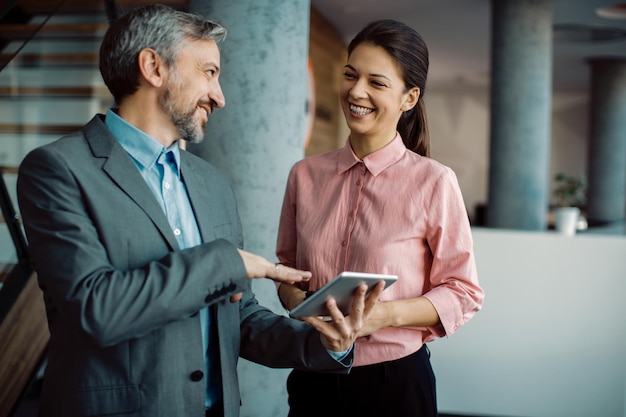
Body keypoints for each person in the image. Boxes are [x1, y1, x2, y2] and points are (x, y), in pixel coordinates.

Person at [16, 5, 384, 417]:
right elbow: (98, 309)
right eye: (209, 72)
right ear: (153, 67)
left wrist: (323, 342)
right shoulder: (56, 171)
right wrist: (226, 262)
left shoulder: (213, 183)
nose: (220, 96)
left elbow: (235, 316)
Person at [276, 19, 485, 417]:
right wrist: (304, 305)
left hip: (394, 384)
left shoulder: (434, 181)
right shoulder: (303, 175)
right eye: (350, 75)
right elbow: (288, 268)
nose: (356, 91)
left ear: (409, 98)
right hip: (312, 372)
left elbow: (463, 291)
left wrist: (378, 316)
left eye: (377, 82)